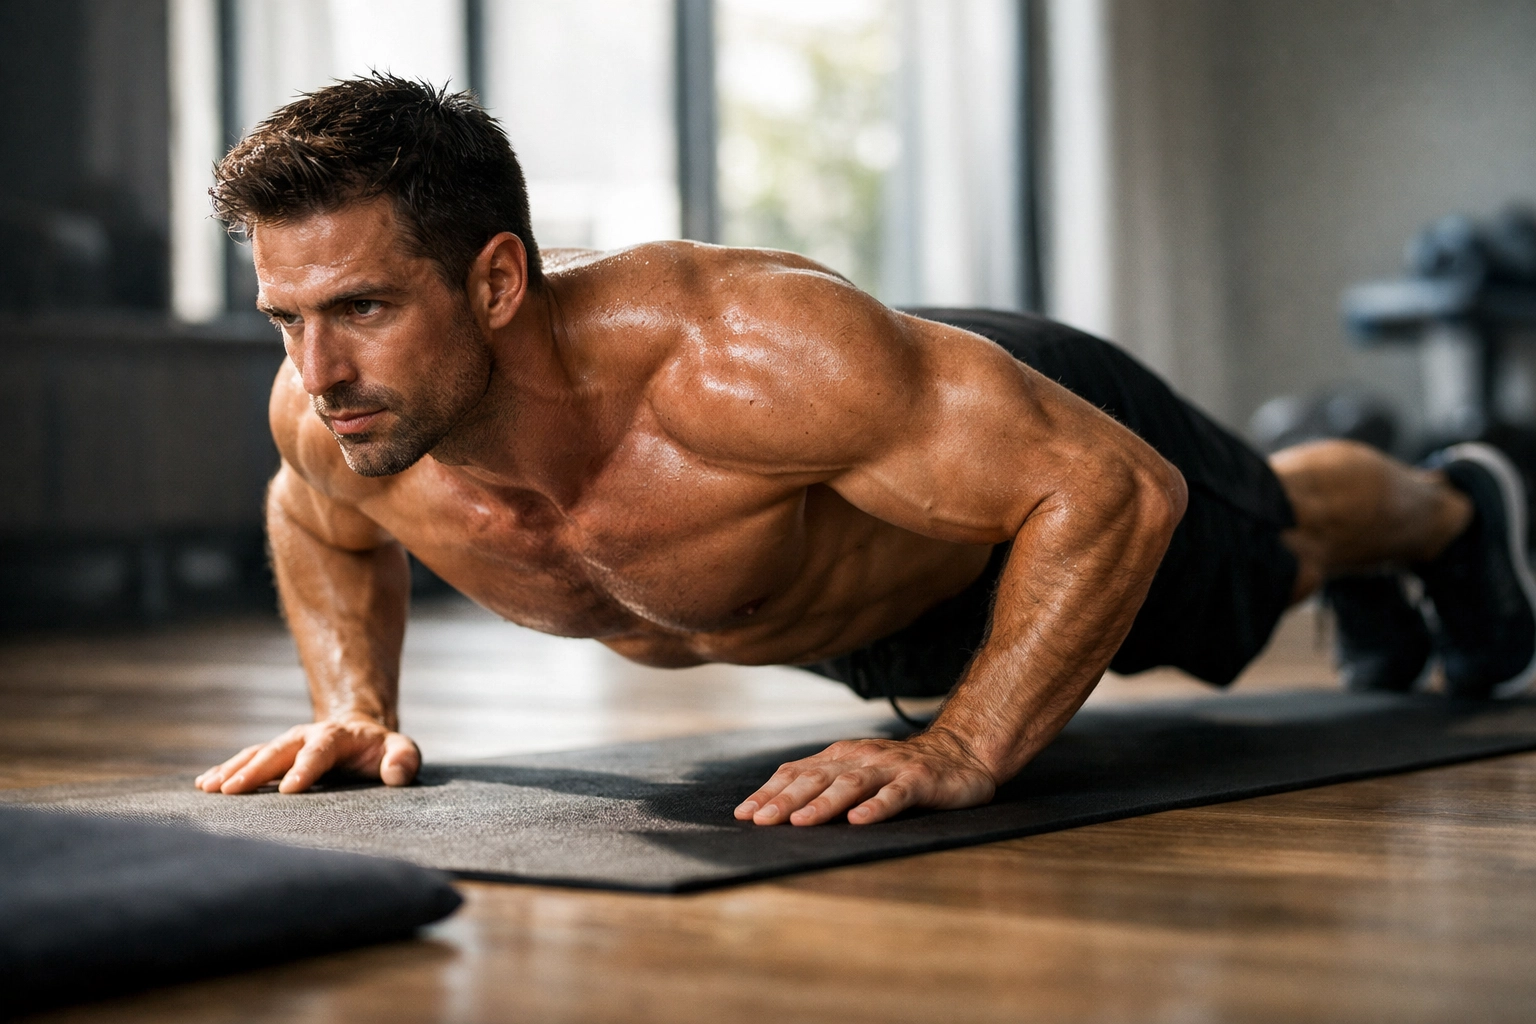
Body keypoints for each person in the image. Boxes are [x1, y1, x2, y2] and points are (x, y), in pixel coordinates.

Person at [194, 75, 1536, 827]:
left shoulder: (739, 359)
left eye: (361, 309)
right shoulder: (337, 418)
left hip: (997, 477)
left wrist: (966, 747)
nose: (319, 370)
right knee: (1276, 559)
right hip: (845, 590)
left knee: (1274, 545)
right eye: (287, 319)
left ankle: (1455, 514)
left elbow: (1117, 489)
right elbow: (316, 520)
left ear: (495, 281)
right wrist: (355, 706)